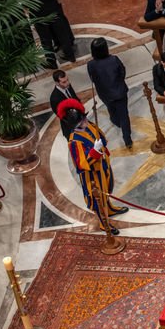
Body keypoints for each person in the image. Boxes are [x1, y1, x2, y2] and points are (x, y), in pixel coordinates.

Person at [61, 100, 129, 233]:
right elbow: (81, 165)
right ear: (77, 124)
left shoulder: (89, 125)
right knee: (98, 199)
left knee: (107, 189)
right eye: (82, 120)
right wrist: (95, 151)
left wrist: (100, 143)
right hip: (92, 175)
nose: (86, 120)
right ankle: (104, 223)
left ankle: (109, 208)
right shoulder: (74, 141)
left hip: (103, 166)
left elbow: (101, 137)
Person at [86, 37, 133, 148]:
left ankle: (117, 123)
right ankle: (128, 140)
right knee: (124, 116)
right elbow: (122, 71)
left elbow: (93, 79)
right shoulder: (114, 59)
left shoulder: (91, 64)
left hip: (105, 95)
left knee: (112, 111)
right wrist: (119, 82)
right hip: (120, 92)